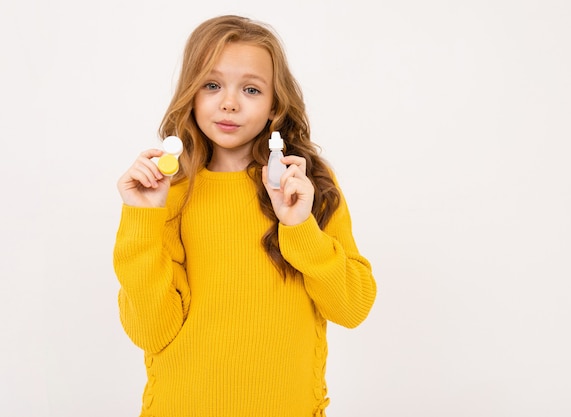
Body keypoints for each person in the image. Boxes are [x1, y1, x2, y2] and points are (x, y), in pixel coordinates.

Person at [113, 14, 377, 417]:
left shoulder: (305, 185)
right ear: (191, 93)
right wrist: (142, 219)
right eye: (212, 85)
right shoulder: (168, 193)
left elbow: (352, 308)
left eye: (251, 89)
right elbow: (152, 330)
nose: (229, 102)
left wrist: (299, 226)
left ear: (275, 106)